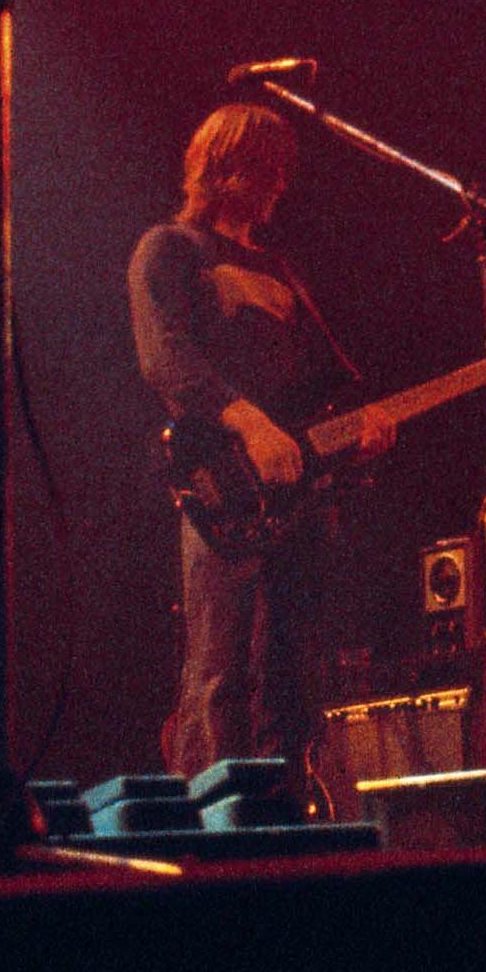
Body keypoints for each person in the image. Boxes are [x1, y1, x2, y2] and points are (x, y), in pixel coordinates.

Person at [129, 102, 391, 778]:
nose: (280, 183)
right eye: (265, 169)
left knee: (294, 676)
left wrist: (360, 431)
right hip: (222, 487)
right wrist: (249, 421)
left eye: (284, 171)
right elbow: (168, 360)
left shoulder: (282, 271)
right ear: (224, 168)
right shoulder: (169, 248)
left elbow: (329, 385)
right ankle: (206, 839)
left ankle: (286, 821)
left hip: (298, 497)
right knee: (218, 672)